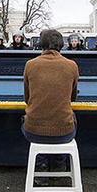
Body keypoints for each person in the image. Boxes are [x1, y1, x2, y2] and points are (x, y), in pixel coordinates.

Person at [22, 29, 79, 180]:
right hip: (64, 132)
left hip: (33, 131)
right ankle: (60, 164)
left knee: (29, 119)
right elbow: (72, 99)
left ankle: (41, 166)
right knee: (70, 117)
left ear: (41, 44)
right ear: (61, 44)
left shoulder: (30, 65)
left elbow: (27, 99)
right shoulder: (72, 65)